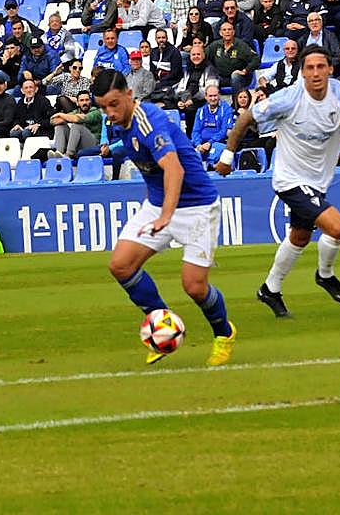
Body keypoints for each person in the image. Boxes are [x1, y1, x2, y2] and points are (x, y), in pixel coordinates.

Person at [217, 45, 340, 318]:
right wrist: (228, 156)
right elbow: (245, 118)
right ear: (302, 73)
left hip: (318, 181)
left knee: (299, 237)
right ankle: (325, 275)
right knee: (337, 227)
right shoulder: (289, 98)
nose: (315, 73)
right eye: (309, 68)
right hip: (289, 179)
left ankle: (270, 289)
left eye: (320, 67)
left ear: (330, 69)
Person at [94, 70, 236, 366]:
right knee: (120, 265)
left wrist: (167, 217)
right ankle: (162, 324)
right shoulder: (121, 124)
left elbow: (175, 169)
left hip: (196, 205)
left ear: (129, 96)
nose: (109, 113)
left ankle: (224, 333)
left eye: (114, 104)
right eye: (103, 107)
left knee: (194, 286)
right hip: (158, 204)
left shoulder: (150, 121)